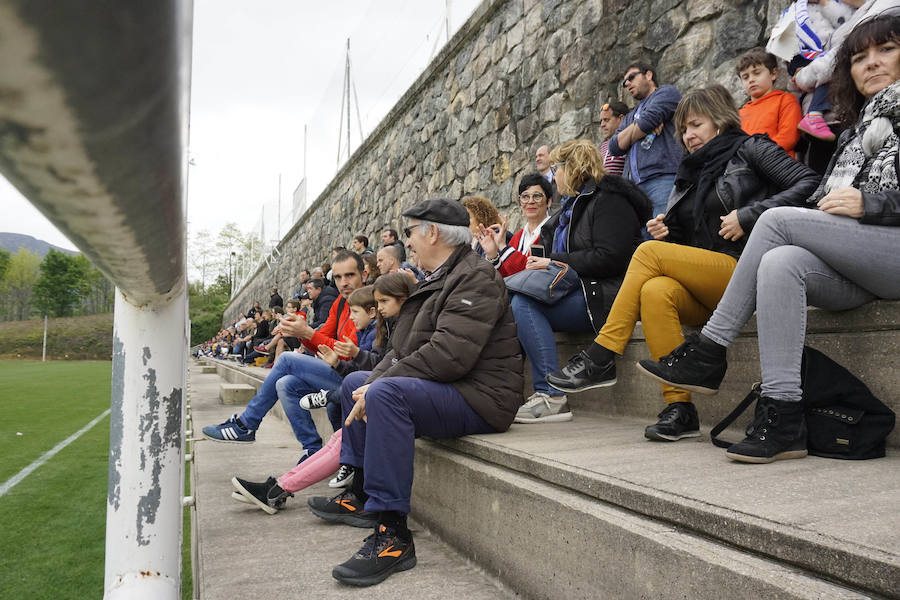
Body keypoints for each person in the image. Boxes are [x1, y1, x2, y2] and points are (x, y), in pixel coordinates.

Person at [636, 15, 900, 463]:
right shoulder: (856, 129)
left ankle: (710, 349)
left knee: (775, 222)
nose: (871, 64)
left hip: (890, 246)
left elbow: (810, 193)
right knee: (780, 263)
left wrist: (869, 205)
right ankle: (784, 417)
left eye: (886, 50)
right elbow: (820, 195)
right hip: (861, 257)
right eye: (859, 57)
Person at [545, 85, 820, 440]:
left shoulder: (751, 148)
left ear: (720, 120)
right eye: (684, 130)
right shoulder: (689, 174)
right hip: (715, 284)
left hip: (755, 270)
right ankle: (680, 407)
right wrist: (669, 233)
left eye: (696, 125)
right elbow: (697, 241)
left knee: (647, 254)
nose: (689, 136)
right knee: (656, 291)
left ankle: (601, 355)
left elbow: (810, 183)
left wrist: (749, 215)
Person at [306, 198, 523, 586]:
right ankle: (359, 494)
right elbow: (404, 353)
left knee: (385, 393)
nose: (407, 242)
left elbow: (449, 355)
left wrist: (381, 386)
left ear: (433, 232)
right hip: (452, 387)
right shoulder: (438, 278)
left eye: (410, 232)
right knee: (358, 383)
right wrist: (372, 381)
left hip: (482, 397)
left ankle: (393, 536)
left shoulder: (475, 277)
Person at [230, 274, 415, 513]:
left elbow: (389, 366)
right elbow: (379, 366)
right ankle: (278, 487)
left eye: (384, 303)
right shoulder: (387, 325)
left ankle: (278, 486)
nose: (380, 309)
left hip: (385, 397)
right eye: (378, 303)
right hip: (371, 392)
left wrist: (355, 357)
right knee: (338, 434)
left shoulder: (400, 327)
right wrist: (338, 362)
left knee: (341, 428)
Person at [502, 139, 651, 423]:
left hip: (609, 294)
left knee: (523, 304)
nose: (552, 177)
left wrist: (555, 261)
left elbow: (612, 258)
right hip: (579, 289)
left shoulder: (610, 200)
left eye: (555, 169)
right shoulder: (570, 209)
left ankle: (552, 396)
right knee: (513, 300)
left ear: (569, 167)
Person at [201, 251, 368, 460]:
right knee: (285, 384)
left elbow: (346, 352)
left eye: (350, 275)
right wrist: (301, 332)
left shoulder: (369, 303)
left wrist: (307, 333)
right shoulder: (340, 302)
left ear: (365, 274)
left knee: (287, 359)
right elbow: (322, 340)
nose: (344, 282)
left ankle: (247, 423)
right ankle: (312, 449)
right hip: (338, 370)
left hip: (357, 379)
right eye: (338, 277)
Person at [608, 62, 683, 233]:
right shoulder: (629, 116)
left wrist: (632, 133)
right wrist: (639, 127)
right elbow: (614, 146)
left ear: (648, 75)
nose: (627, 83)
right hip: (635, 189)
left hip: (663, 178)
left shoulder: (666, 93)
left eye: (631, 77)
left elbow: (649, 119)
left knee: (663, 239)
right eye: (624, 82)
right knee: (643, 245)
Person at [479, 173, 553, 276]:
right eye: (525, 197)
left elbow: (529, 272)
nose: (530, 201)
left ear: (549, 202)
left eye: (537, 196)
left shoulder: (554, 232)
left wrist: (503, 246)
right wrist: (492, 254)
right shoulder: (517, 237)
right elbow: (506, 277)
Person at [737, 47, 803, 157]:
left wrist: (758, 156)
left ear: (773, 74)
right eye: (745, 77)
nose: (751, 80)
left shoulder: (785, 100)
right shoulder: (739, 114)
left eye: (757, 73)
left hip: (778, 165)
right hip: (746, 169)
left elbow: (789, 137)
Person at [598, 100, 629, 175]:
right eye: (601, 121)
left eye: (606, 120)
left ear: (621, 119)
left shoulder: (629, 141)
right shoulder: (603, 146)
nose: (602, 125)